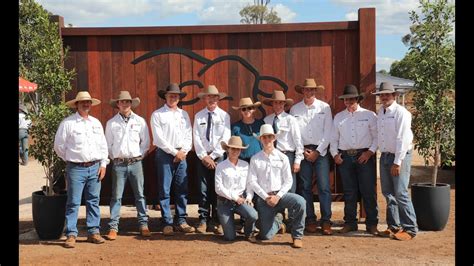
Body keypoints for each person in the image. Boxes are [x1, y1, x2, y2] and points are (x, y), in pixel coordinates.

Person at [54, 91, 109, 248]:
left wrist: (103, 164)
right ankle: (71, 234)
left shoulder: (96, 123)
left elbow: (103, 145)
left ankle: (93, 232)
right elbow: (59, 147)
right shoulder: (68, 123)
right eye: (83, 102)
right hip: (76, 168)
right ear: (76, 105)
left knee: (93, 201)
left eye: (88, 102)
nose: (86, 104)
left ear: (91, 104)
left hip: (95, 167)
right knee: (73, 202)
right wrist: (72, 160)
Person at [329, 84, 379, 235]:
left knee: (368, 190)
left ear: (357, 99)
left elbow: (377, 137)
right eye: (346, 99)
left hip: (364, 155)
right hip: (345, 157)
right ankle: (350, 223)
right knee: (349, 191)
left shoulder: (370, 115)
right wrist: (335, 155)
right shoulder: (339, 117)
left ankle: (372, 223)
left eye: (351, 99)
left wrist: (369, 153)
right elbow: (333, 138)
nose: (348, 102)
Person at [248, 124, 306, 248]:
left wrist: (278, 196)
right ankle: (279, 221)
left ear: (274, 138)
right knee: (265, 236)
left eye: (270, 137)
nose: (267, 140)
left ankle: (297, 236)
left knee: (300, 201)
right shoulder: (255, 159)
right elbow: (252, 182)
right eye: (264, 137)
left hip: (281, 196)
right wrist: (265, 197)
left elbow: (288, 181)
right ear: (261, 139)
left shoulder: (283, 157)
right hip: (264, 199)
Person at [372, 82, 418, 241]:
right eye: (381, 95)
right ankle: (394, 226)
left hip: (399, 156)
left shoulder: (402, 113)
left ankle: (410, 229)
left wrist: (397, 162)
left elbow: (402, 139)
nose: (383, 97)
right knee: (388, 193)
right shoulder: (381, 111)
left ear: (394, 95)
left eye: (387, 94)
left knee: (401, 192)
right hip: (385, 155)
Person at [104, 91, 151, 240]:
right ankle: (113, 227)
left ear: (131, 104)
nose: (125, 104)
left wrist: (138, 156)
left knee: (140, 195)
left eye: (127, 102)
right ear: (117, 104)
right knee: (116, 196)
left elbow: (146, 143)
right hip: (118, 164)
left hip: (136, 162)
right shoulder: (111, 123)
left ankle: (143, 224)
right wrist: (116, 157)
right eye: (122, 102)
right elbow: (108, 145)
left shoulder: (140, 121)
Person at [290, 78, 334, 235]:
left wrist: (318, 151)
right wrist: (302, 151)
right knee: (305, 187)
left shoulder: (324, 107)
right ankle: (310, 219)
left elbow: (328, 131)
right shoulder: (295, 110)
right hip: (302, 151)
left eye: (312, 90)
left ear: (316, 91)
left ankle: (326, 221)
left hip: (320, 152)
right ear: (302, 91)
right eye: (306, 89)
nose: (309, 92)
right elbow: (294, 133)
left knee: (324, 187)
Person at [151, 83, 195, 236]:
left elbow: (189, 135)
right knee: (164, 189)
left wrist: (183, 151)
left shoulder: (184, 114)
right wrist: (174, 152)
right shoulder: (157, 114)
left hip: (182, 154)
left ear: (179, 98)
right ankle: (167, 222)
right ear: (165, 96)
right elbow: (158, 138)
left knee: (181, 188)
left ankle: (181, 220)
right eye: (171, 95)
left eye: (176, 96)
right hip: (165, 154)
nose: (173, 98)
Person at [193, 85, 231, 234]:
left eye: (214, 97)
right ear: (204, 99)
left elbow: (225, 138)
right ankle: (203, 219)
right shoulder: (199, 116)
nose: (212, 100)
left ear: (218, 99)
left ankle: (216, 220)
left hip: (219, 156)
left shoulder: (224, 116)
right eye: (209, 97)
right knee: (203, 189)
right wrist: (204, 156)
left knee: (218, 188)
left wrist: (214, 156)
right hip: (202, 156)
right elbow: (196, 138)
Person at [215, 136, 258, 242]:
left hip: (241, 200)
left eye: (238, 149)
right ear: (228, 149)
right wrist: (235, 198)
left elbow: (249, 184)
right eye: (233, 148)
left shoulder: (245, 165)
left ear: (240, 151)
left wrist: (249, 197)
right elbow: (218, 188)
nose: (235, 151)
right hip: (224, 202)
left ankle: (249, 233)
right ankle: (229, 228)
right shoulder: (220, 166)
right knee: (230, 237)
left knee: (253, 215)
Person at [262, 90, 303, 194]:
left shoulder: (290, 119)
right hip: (272, 155)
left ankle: (291, 209)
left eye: (281, 102)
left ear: (284, 104)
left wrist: (297, 161)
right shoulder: (267, 120)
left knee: (289, 185)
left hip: (287, 155)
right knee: (275, 184)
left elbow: (298, 140)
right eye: (276, 102)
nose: (278, 105)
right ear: (272, 104)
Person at [231, 97, 265, 163]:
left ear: (254, 109)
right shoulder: (235, 127)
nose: (246, 111)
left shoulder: (261, 124)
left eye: (249, 108)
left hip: (259, 160)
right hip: (242, 161)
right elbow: (232, 146)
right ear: (241, 111)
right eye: (244, 109)